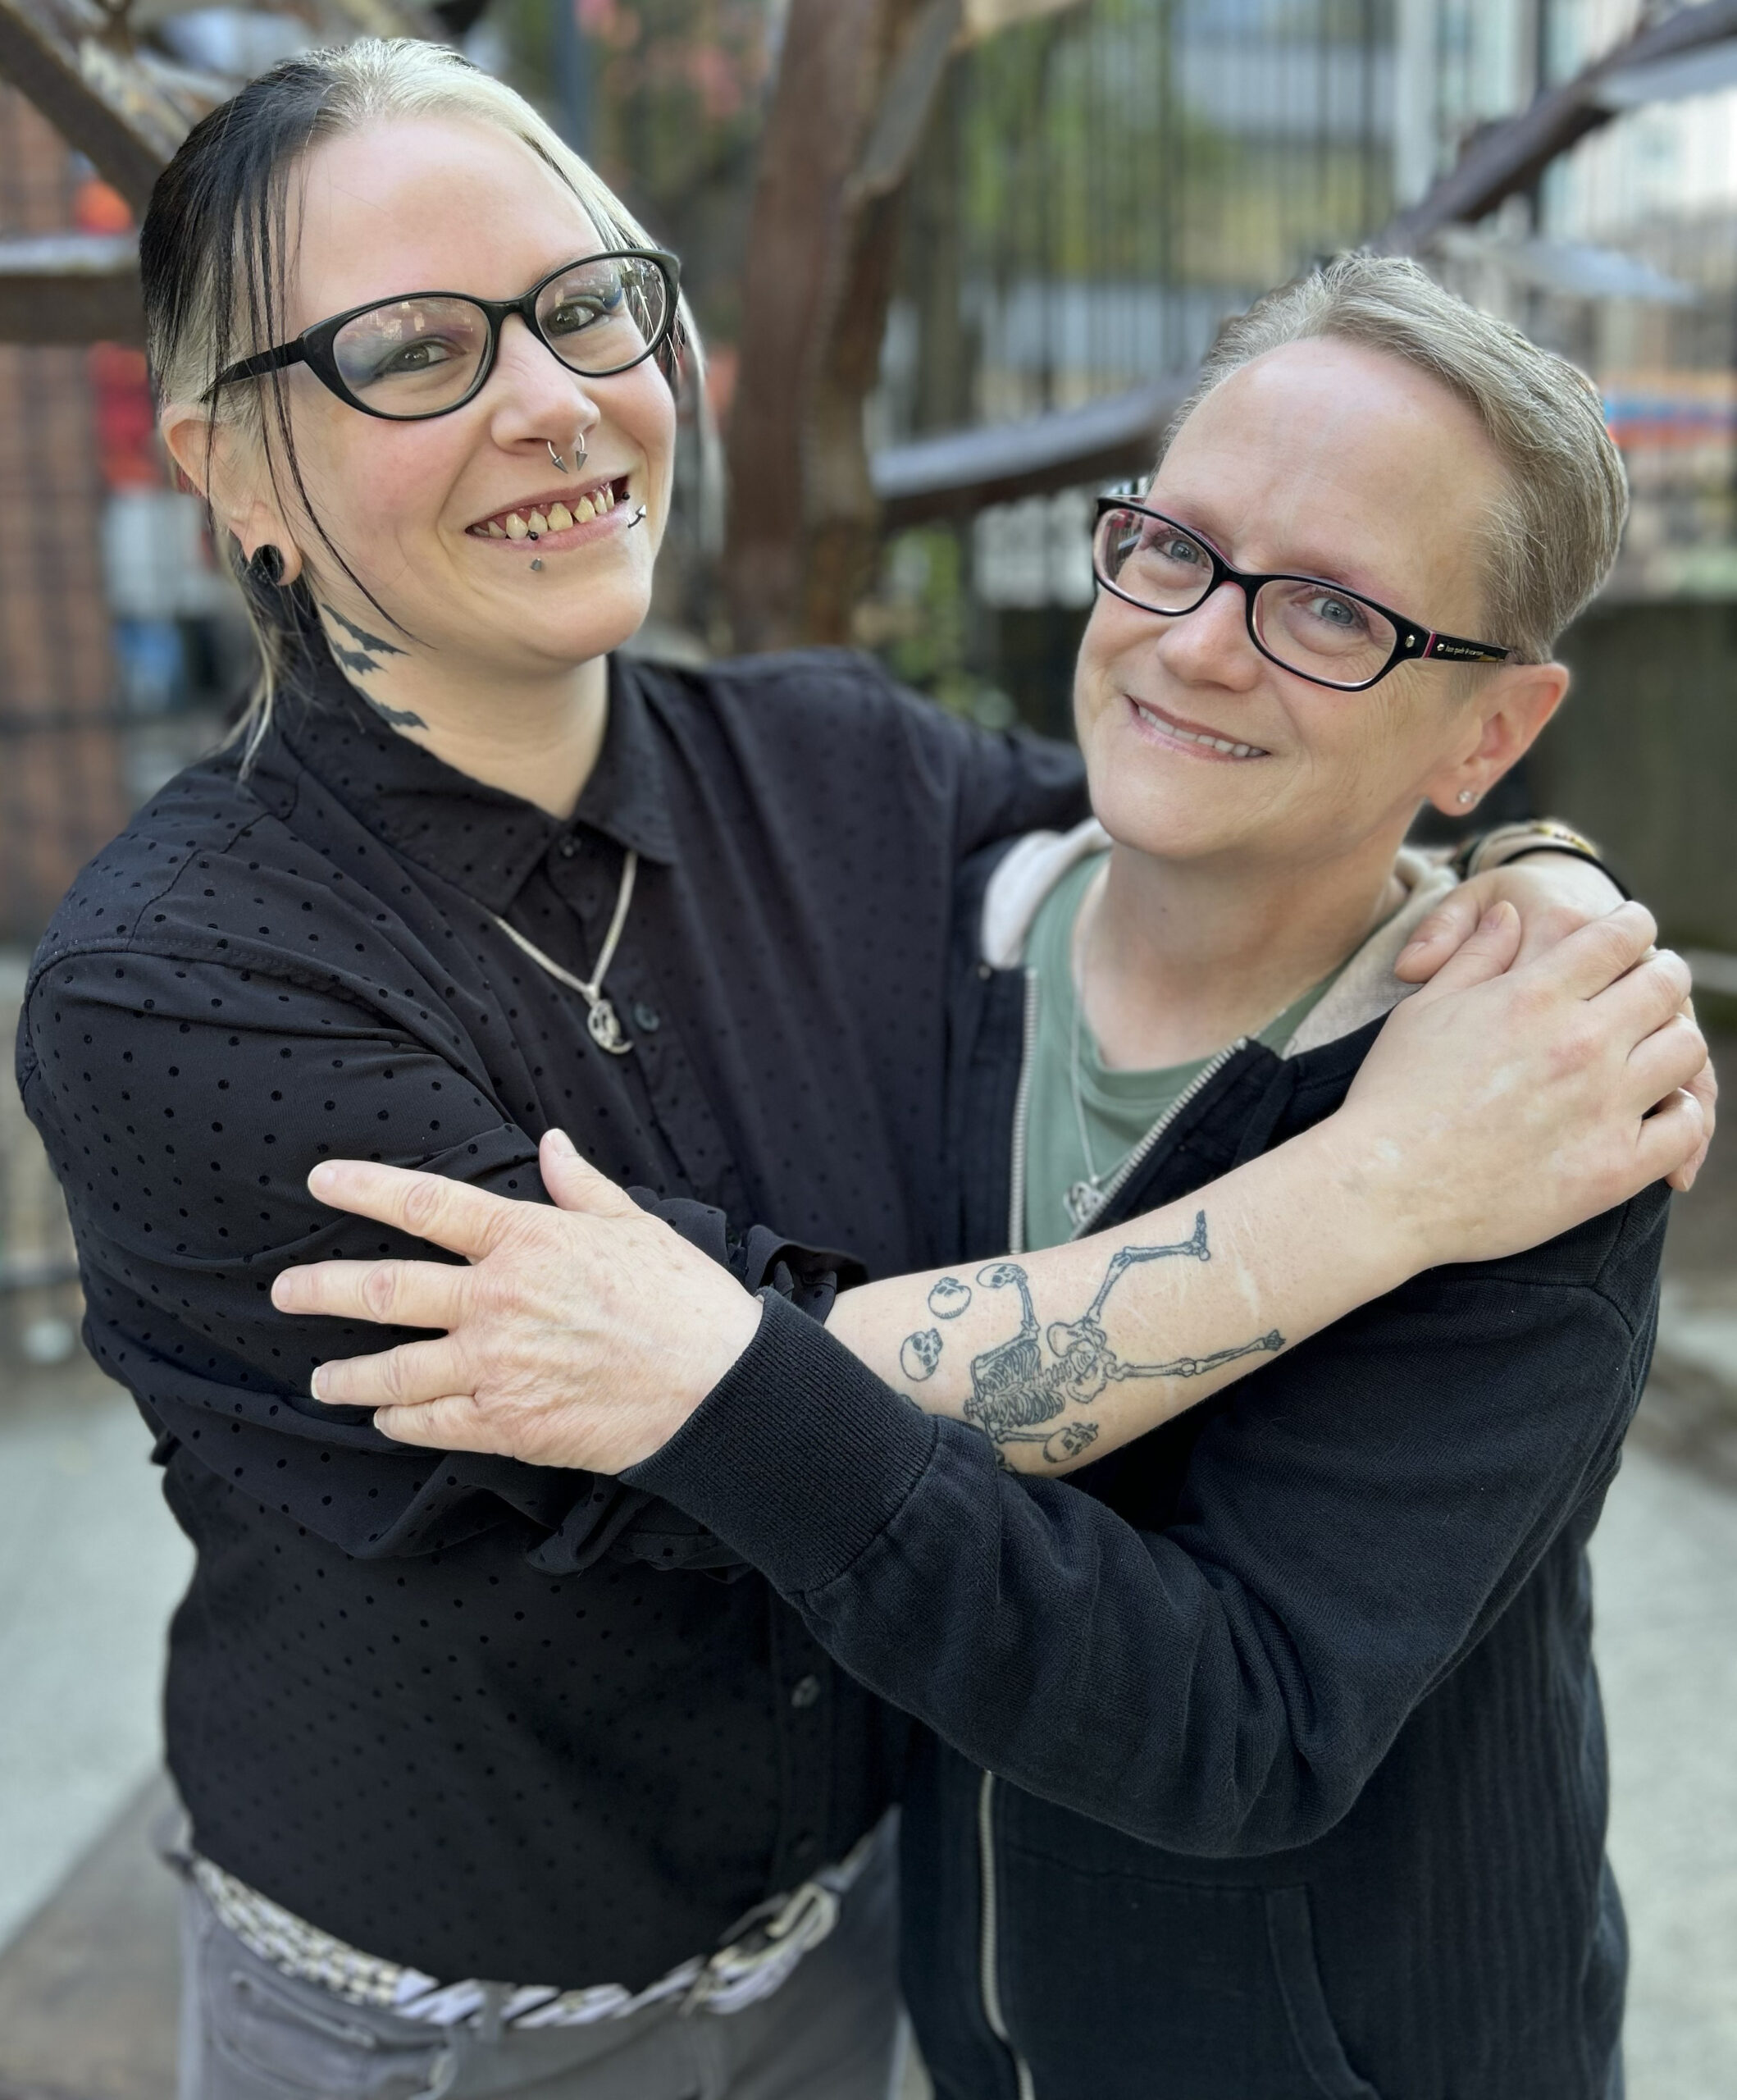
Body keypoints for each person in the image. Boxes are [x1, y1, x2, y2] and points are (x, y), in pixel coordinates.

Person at [15, 35, 1699, 2099]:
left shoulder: (839, 776)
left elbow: (1230, 805)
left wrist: (1536, 883)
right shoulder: (184, 993)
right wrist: (1385, 1186)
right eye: (411, 351)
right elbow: (669, 1435)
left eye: (580, 307)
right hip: (436, 2034)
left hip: (849, 1974)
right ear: (231, 464)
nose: (550, 397)